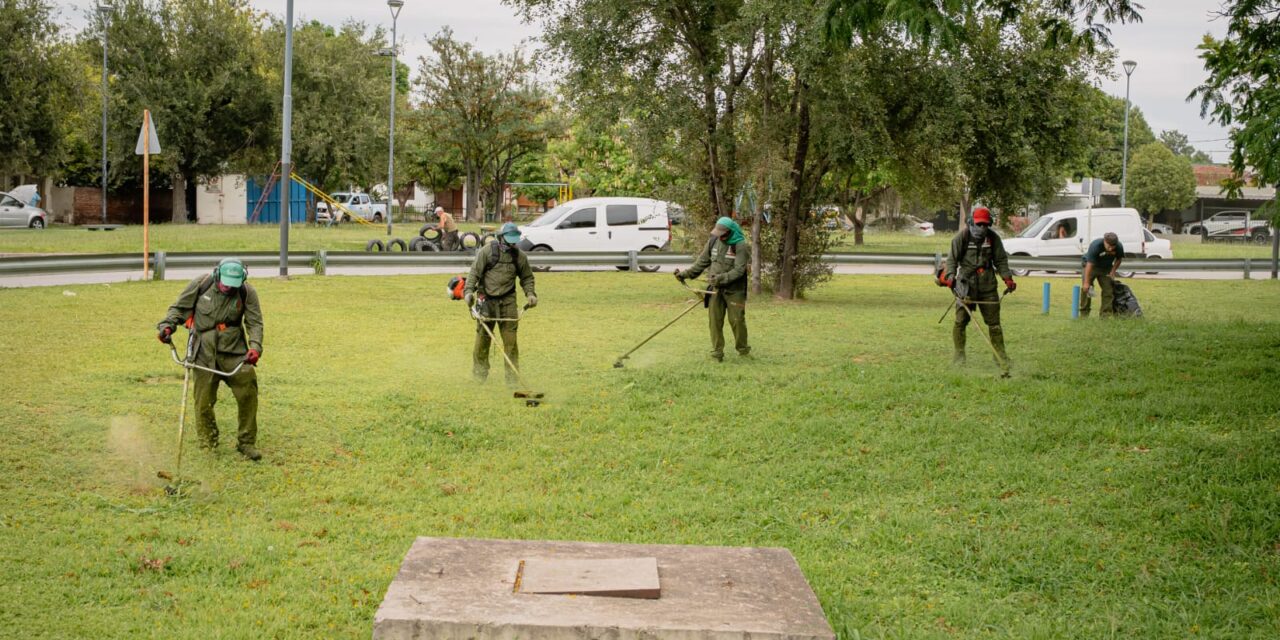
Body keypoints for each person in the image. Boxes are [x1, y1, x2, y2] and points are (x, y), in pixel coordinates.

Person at [156, 258, 264, 461]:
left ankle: (246, 443)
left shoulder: (247, 292)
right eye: (224, 283)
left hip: (234, 351)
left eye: (233, 285)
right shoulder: (201, 284)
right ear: (217, 275)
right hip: (203, 351)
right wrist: (167, 327)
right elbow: (178, 310)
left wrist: (255, 347)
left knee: (248, 391)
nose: (227, 288)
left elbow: (255, 322)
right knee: (203, 401)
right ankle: (209, 442)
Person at [939, 206, 1016, 365]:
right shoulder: (961, 238)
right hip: (965, 286)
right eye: (979, 224)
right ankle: (959, 357)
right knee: (960, 321)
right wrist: (951, 277)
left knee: (994, 324)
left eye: (985, 225)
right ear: (971, 222)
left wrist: (1007, 278)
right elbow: (952, 260)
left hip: (988, 286)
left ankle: (1000, 357)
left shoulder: (993, 239)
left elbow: (1001, 260)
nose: (982, 228)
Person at [464, 222, 537, 383]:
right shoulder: (487, 251)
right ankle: (479, 376)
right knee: (482, 342)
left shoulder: (519, 256)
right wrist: (468, 292)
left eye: (514, 240)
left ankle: (512, 380)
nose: (512, 243)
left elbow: (527, 278)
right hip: (486, 301)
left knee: (511, 344)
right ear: (501, 237)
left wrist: (530, 294)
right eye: (509, 240)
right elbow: (474, 273)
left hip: (508, 302)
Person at [674, 216, 751, 362]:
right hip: (715, 289)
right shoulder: (713, 241)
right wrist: (684, 274)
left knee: (737, 320)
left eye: (723, 234)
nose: (720, 237)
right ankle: (717, 352)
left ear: (731, 232)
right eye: (718, 233)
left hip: (735, 290)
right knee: (714, 321)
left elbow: (740, 270)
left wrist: (721, 278)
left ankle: (743, 349)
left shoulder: (740, 246)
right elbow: (701, 263)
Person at [1080, 231, 1124, 318]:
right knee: (1087, 289)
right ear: (1104, 241)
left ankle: (1105, 315)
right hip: (1091, 267)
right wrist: (1086, 282)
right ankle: (1084, 314)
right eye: (1109, 246)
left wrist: (1112, 271)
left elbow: (1119, 259)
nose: (1111, 249)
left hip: (1106, 268)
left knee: (1108, 290)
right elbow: (1089, 265)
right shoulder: (1096, 245)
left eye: (1113, 247)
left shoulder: (1119, 246)